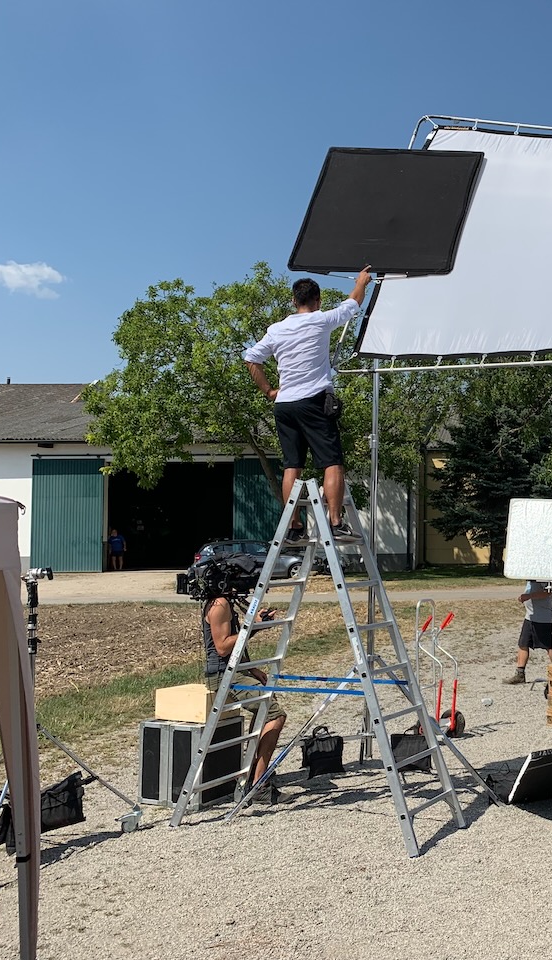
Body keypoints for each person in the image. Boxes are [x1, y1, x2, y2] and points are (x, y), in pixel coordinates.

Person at [243, 268, 373, 540]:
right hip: (313, 402)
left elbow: (251, 359)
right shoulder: (321, 320)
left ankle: (293, 527)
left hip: (285, 405)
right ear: (318, 300)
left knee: (292, 465)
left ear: (293, 301)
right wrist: (361, 282)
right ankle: (335, 523)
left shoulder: (276, 330)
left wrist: (269, 391)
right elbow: (353, 303)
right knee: (332, 462)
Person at [202, 584, 289, 805]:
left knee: (267, 709)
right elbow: (223, 647)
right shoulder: (220, 604)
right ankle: (259, 784)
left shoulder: (225, 603)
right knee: (275, 715)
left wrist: (252, 669)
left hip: (236, 672)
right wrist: (252, 627)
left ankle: (252, 772)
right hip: (225, 676)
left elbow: (237, 644)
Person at [503, 580, 552, 684]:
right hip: (529, 617)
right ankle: (520, 674)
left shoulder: (543, 577)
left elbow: (547, 592)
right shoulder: (531, 578)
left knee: (549, 646)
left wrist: (528, 596)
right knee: (523, 644)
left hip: (543, 618)